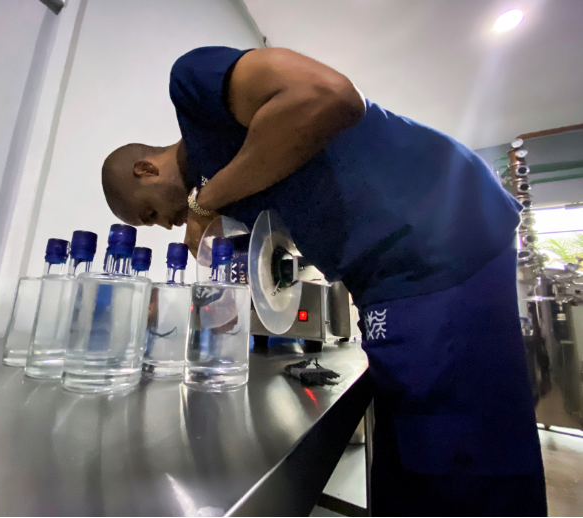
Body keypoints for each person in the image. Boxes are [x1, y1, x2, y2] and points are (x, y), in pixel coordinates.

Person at [101, 46, 547, 516]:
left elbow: (329, 96)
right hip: (383, 281)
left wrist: (203, 202)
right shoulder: (232, 189)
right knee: (408, 456)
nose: (166, 223)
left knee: (461, 454)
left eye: (150, 213)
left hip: (439, 238)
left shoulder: (192, 86)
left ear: (145, 168)